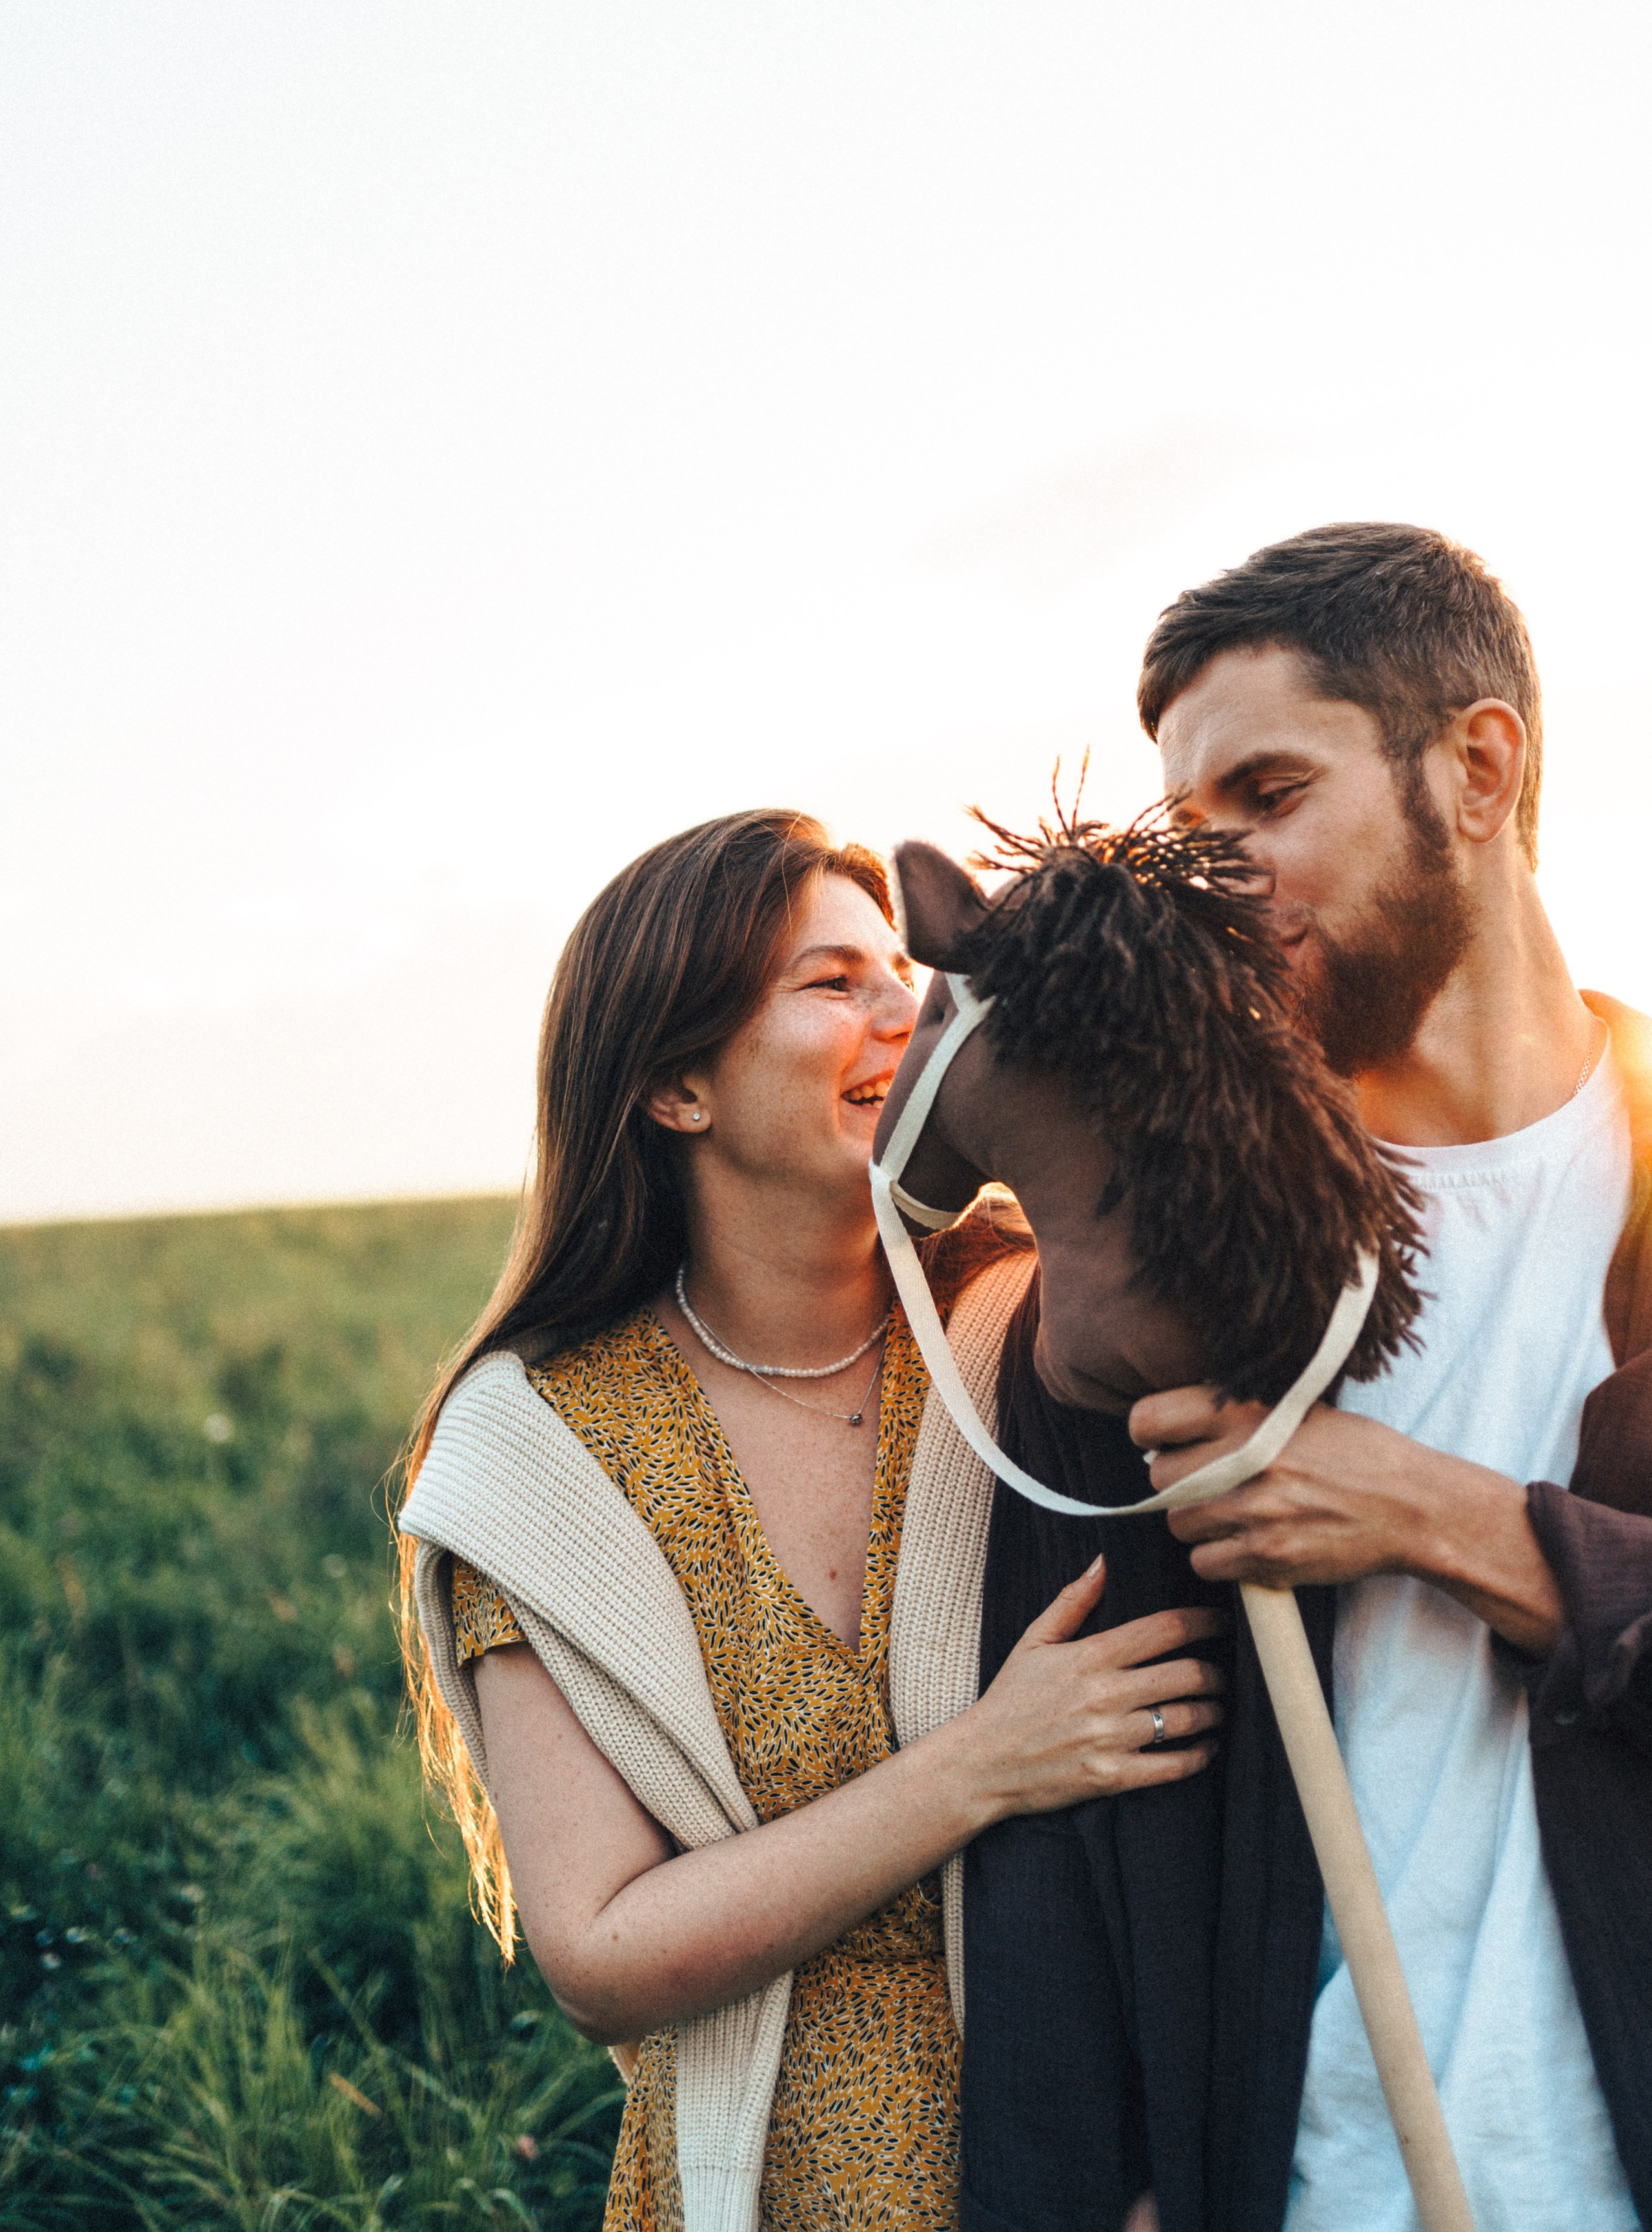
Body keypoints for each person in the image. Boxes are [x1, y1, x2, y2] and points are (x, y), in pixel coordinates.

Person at [394, 807, 1225, 2232]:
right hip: (753, 2187)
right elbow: (598, 1952)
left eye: (901, 972)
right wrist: (985, 1765)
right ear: (678, 1088)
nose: (905, 1011)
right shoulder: (546, 1452)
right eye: (833, 983)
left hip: (1088, 2160)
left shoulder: (1040, 1344)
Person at [959, 525, 1652, 2232]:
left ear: (1477, 769)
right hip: (1304, 2181)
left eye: (1266, 798)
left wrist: (1448, 1520)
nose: (1216, 882)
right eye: (1184, 833)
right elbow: (1066, 1825)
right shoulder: (1162, 1265)